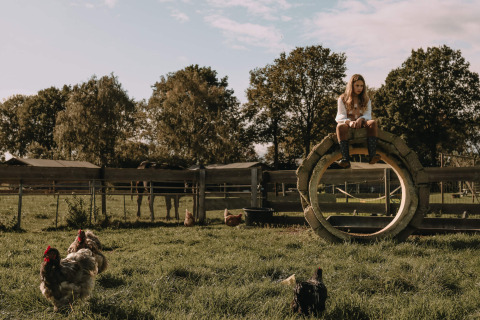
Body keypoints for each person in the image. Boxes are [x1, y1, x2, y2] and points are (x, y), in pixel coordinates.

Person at [335, 74, 380, 169]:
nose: (360, 88)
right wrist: (349, 122)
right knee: (340, 127)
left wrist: (362, 118)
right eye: (357, 85)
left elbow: (368, 114)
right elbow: (340, 116)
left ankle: (372, 155)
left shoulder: (366, 99)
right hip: (348, 124)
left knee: (373, 123)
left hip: (362, 122)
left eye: (362, 86)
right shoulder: (342, 99)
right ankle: (346, 159)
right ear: (351, 86)